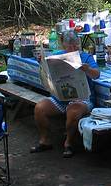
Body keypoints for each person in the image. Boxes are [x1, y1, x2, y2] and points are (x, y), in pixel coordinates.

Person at [30, 30, 100, 158]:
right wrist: (42, 62)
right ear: (63, 45)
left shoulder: (86, 57)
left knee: (73, 111)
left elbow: (97, 75)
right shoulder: (57, 56)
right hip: (60, 97)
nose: (73, 49)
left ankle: (68, 143)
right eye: (70, 47)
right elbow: (46, 72)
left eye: (75, 46)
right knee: (39, 108)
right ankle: (45, 140)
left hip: (83, 98)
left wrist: (87, 69)